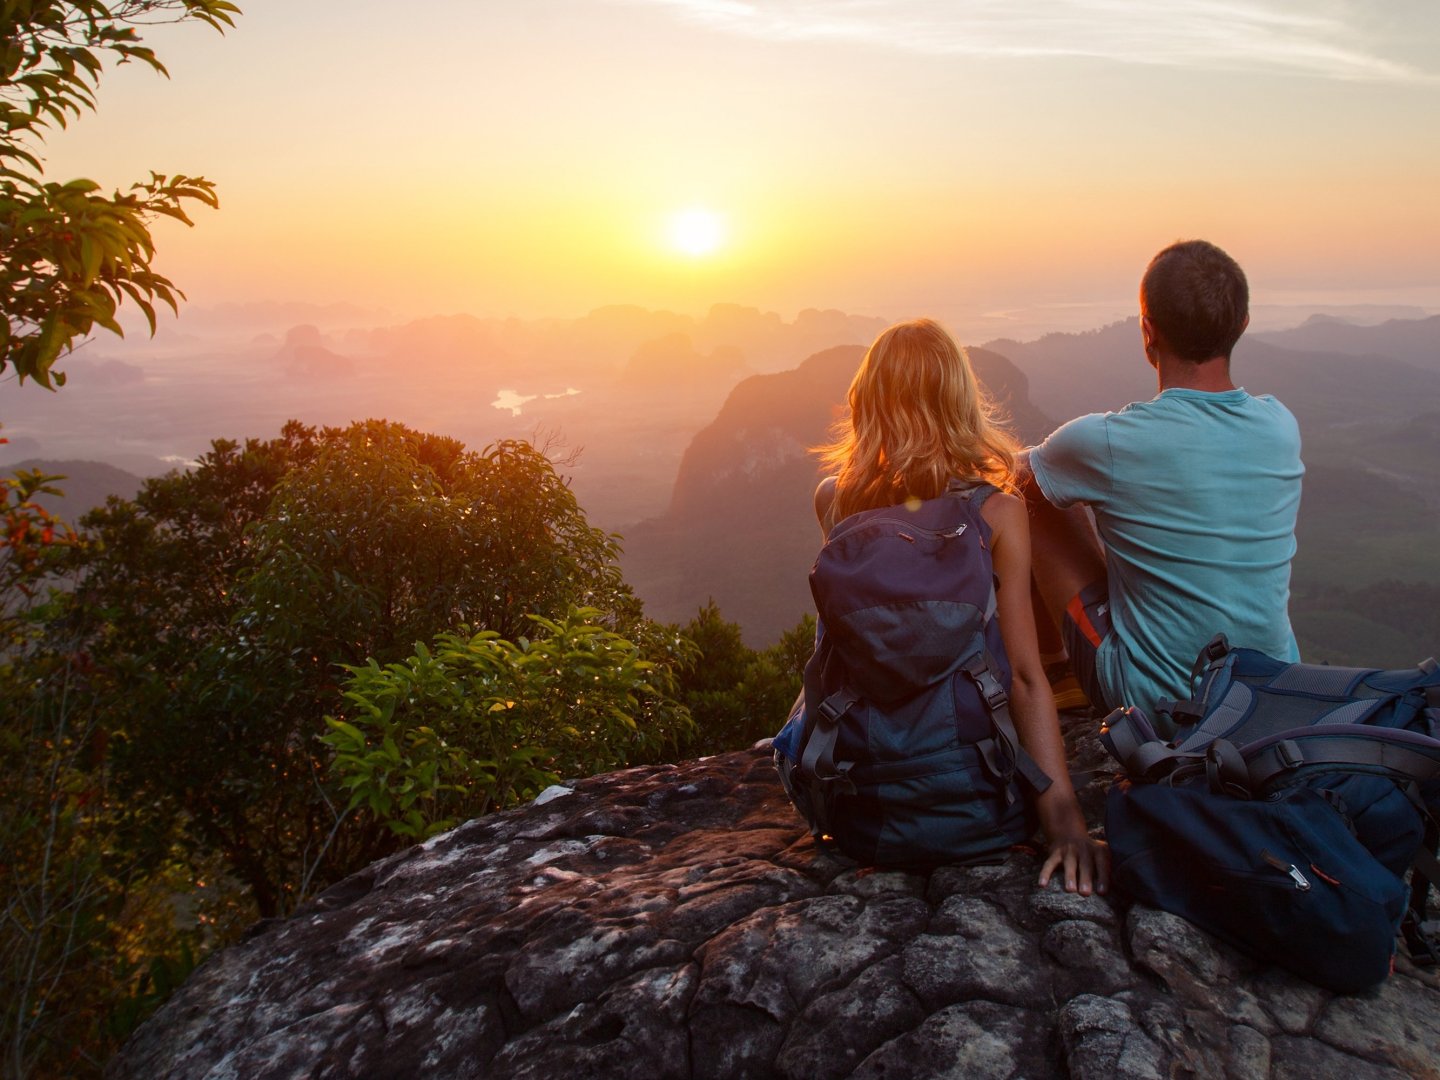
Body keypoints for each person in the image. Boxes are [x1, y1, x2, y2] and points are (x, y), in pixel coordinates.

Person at [812, 318, 1108, 895]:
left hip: (861, 810)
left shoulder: (835, 501)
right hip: (978, 803)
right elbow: (1024, 676)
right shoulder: (997, 512)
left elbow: (835, 653)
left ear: (867, 401)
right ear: (959, 400)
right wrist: (1065, 823)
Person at [1023, 239, 1304, 735]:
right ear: (1240, 326)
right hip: (1275, 693)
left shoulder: (1108, 441)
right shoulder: (1281, 424)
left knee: (1031, 494)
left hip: (1160, 706)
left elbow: (1012, 474)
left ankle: (1056, 670)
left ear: (1147, 332)